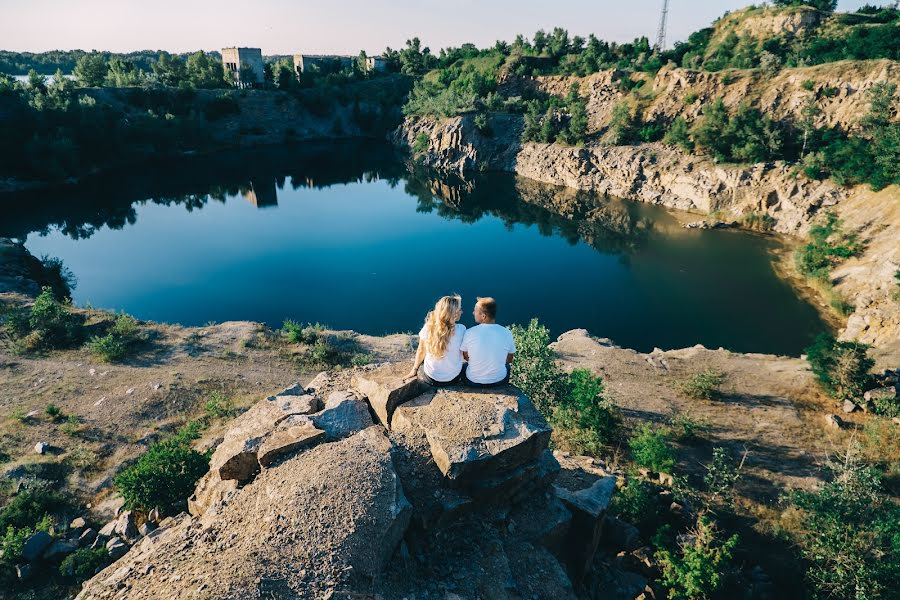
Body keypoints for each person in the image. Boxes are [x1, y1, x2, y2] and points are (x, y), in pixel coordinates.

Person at [405, 295, 466, 387]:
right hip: (453, 378)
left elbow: (421, 350)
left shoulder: (428, 328)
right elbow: (465, 354)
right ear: (454, 314)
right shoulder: (462, 330)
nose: (462, 311)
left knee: (423, 361)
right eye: (460, 309)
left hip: (430, 378)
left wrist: (414, 370)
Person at [460, 297, 516, 387]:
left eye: (475, 311)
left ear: (483, 316)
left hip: (473, 381)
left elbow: (465, 356)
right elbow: (509, 359)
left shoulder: (469, 332)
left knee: (464, 365)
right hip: (499, 381)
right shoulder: (507, 332)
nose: (473, 313)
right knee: (507, 367)